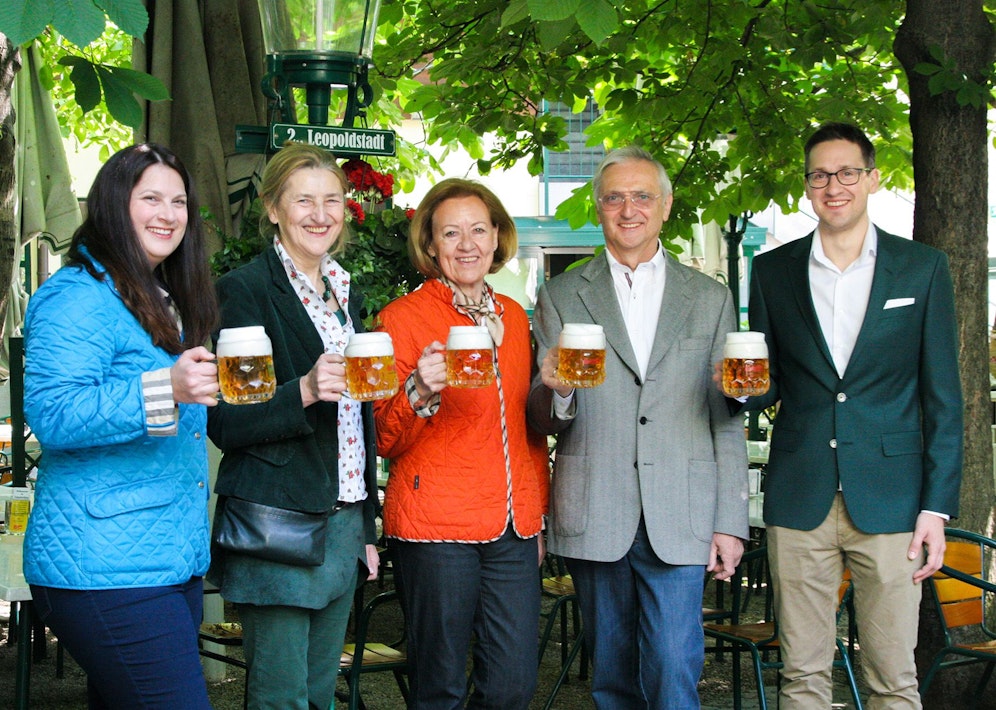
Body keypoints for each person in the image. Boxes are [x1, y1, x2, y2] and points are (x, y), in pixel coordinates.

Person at [740, 122, 962, 708]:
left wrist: (935, 508)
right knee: (802, 676)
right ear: (807, 187)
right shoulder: (772, 270)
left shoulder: (922, 268)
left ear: (871, 178)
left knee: (894, 680)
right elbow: (766, 385)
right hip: (800, 493)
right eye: (819, 175)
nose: (832, 185)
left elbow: (944, 399)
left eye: (847, 172)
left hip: (893, 502)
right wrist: (736, 391)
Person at [527, 145, 749, 709]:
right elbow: (543, 420)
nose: (629, 209)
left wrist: (731, 522)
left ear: (667, 206)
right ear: (598, 208)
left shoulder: (710, 298)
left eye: (642, 196)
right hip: (596, 506)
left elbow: (726, 419)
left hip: (684, 510)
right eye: (614, 198)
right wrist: (556, 387)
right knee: (612, 676)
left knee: (675, 668)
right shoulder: (559, 294)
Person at [23, 143, 220, 708]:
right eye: (150, 198)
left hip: (164, 562)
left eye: (178, 201)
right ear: (113, 204)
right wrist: (167, 389)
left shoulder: (158, 297)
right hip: (104, 567)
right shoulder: (77, 296)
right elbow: (54, 413)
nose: (168, 213)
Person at [206, 143, 380, 710]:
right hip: (277, 522)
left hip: (342, 520)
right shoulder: (245, 291)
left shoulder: (341, 291)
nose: (320, 213)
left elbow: (357, 422)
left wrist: (366, 527)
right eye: (303, 200)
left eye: (332, 199)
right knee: (281, 698)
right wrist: (302, 390)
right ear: (273, 208)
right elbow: (226, 421)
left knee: (317, 696)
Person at [373, 178, 550, 709]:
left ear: (498, 237)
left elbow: (527, 431)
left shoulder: (515, 319)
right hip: (436, 525)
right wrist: (421, 389)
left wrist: (536, 515)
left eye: (479, 229)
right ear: (431, 246)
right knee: (441, 686)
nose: (467, 243)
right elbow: (384, 436)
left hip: (512, 527)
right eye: (451, 233)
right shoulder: (401, 318)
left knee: (512, 685)